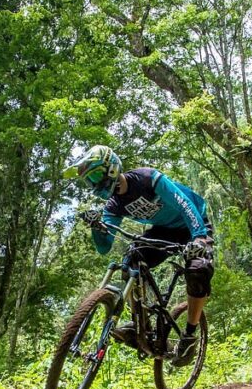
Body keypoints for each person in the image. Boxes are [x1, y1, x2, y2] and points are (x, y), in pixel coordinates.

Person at [63, 145, 214, 365]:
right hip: (164, 231)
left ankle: (190, 335)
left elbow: (184, 205)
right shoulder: (114, 205)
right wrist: (97, 226)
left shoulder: (147, 179)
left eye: (95, 175)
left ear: (111, 168)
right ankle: (140, 323)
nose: (94, 183)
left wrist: (199, 237)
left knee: (198, 268)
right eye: (89, 180)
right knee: (132, 258)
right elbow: (105, 246)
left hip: (193, 223)